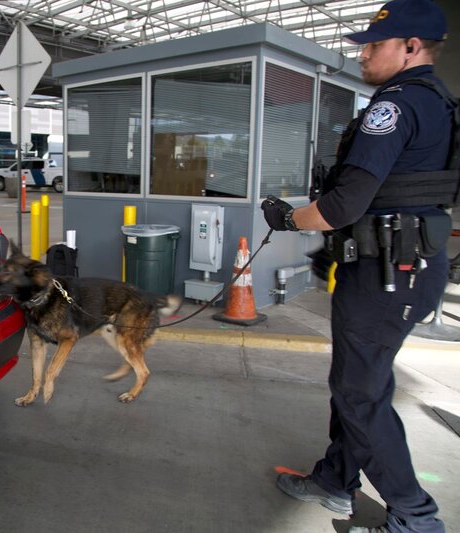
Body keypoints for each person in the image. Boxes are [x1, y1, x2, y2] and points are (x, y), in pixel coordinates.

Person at [261, 0, 455, 531]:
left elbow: (342, 206)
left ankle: (416, 514)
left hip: (383, 272)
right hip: (406, 266)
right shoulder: (440, 103)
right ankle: (335, 481)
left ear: (412, 47)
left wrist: (289, 218)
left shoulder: (395, 105)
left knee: (360, 393)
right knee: (360, 385)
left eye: (375, 45)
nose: (364, 55)